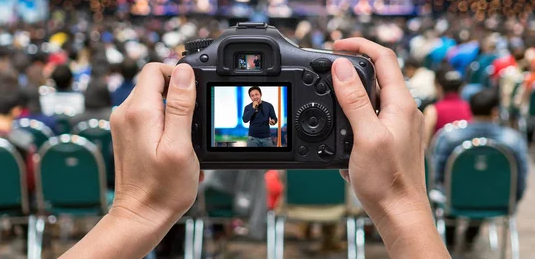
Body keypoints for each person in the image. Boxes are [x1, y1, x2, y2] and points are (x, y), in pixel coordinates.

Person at [60, 39, 450, 259]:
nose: (257, 92)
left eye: (259, 90)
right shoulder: (250, 106)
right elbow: (246, 124)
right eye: (254, 91)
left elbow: (276, 125)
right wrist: (403, 207)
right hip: (256, 134)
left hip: (267, 136)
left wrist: (133, 214)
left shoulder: (268, 107)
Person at [431, 89, 529, 249]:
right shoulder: (513, 140)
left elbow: (438, 175)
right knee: (485, 185)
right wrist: (513, 199)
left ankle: (450, 241)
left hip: (454, 199)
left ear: (470, 108)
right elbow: (520, 179)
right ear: (495, 111)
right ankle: (470, 235)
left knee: (463, 187)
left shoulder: (449, 137)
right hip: (498, 201)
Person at [423, 66, 472, 147]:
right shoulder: (470, 108)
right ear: (461, 88)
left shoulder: (432, 110)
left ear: (439, 87)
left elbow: (425, 144)